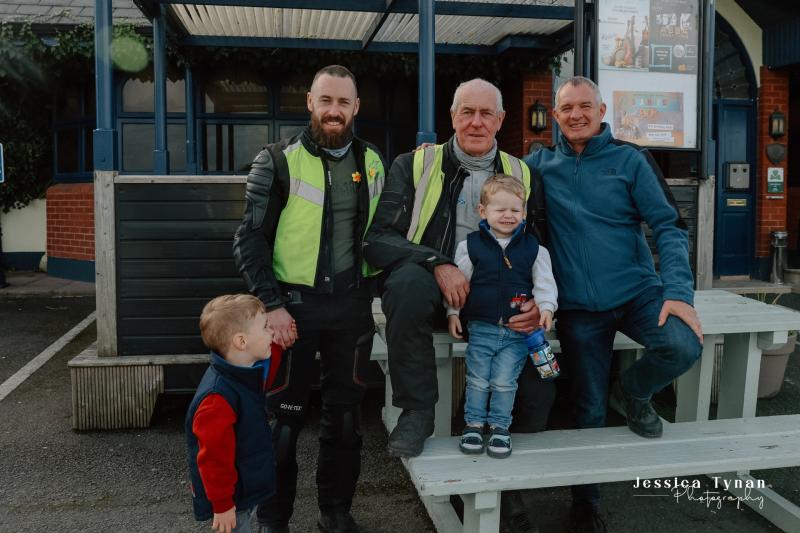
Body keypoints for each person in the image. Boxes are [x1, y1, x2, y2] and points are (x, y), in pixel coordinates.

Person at [364, 78, 551, 532]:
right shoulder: (414, 164)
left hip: (504, 295)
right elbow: (378, 241)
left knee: (542, 376)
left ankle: (508, 492)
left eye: (487, 114)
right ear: (451, 117)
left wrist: (541, 305)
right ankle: (418, 410)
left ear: (501, 121)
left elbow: (542, 244)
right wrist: (437, 262)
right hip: (436, 286)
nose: (476, 122)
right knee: (405, 285)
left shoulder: (524, 173)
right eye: (467, 112)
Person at [524, 76, 704, 533]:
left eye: (586, 106)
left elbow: (669, 225)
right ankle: (587, 503)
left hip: (638, 293)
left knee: (682, 346)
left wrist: (678, 292)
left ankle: (635, 391)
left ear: (602, 111)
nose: (576, 115)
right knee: (587, 410)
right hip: (580, 308)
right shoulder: (538, 165)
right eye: (567, 108)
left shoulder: (631, 159)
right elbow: (489, 189)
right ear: (557, 115)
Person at [233, 65, 386, 533]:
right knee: (282, 422)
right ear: (310, 103)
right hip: (291, 312)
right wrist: (272, 304)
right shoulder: (276, 160)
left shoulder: (373, 161)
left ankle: (335, 513)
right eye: (326, 100)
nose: (334, 111)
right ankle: (273, 518)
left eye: (344, 102)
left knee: (345, 424)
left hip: (351, 308)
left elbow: (388, 229)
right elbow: (249, 239)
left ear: (356, 107)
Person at [445, 174, 558, 459]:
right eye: (500, 209)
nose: (508, 215)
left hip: (516, 334)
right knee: (478, 379)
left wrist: (546, 309)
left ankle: (500, 428)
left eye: (515, 210)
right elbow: (460, 287)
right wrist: (453, 313)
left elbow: (545, 284)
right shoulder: (469, 246)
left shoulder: (534, 249)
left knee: (505, 382)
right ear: (483, 211)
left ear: (524, 212)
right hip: (481, 327)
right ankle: (473, 425)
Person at [186, 294, 277, 533]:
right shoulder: (217, 398)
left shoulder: (243, 373)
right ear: (241, 341)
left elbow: (270, 362)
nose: (272, 333)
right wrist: (223, 505)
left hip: (243, 490)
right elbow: (213, 459)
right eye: (266, 327)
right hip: (231, 502)